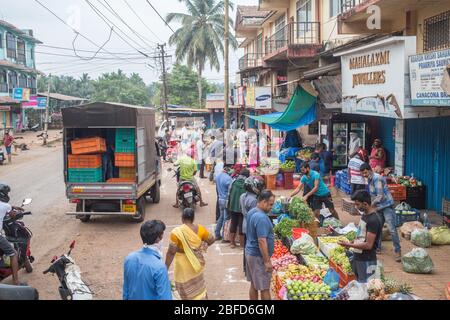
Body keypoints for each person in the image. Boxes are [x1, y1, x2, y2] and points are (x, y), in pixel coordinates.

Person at [165, 208, 215, 300]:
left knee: (184, 289)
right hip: (196, 263)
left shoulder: (176, 233)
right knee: (199, 287)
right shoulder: (201, 229)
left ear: (182, 218)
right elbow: (211, 239)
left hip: (182, 266)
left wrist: (165, 268)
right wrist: (202, 246)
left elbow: (171, 252)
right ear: (193, 218)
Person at [360, 163, 401, 262]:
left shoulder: (376, 178)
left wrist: (370, 206)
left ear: (369, 170)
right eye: (363, 174)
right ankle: (377, 248)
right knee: (377, 227)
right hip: (378, 207)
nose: (364, 175)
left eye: (365, 172)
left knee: (391, 229)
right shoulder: (369, 179)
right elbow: (372, 195)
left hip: (386, 206)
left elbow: (380, 196)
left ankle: (397, 250)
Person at [338, 190, 382, 283]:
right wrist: (350, 243)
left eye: (357, 204)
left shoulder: (373, 220)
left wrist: (350, 245)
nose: (355, 206)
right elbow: (361, 236)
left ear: (365, 204)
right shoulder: (364, 215)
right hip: (358, 256)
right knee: (359, 283)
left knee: (365, 287)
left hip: (366, 260)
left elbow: (368, 245)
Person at [123, 220, 172, 300]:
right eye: (162, 236)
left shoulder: (129, 259)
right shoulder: (160, 267)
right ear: (158, 239)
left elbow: (126, 291)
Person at [245, 190, 276, 300]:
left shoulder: (252, 211)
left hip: (250, 253)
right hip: (258, 257)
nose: (272, 207)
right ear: (263, 202)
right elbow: (262, 241)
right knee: (264, 288)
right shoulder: (261, 218)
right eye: (271, 204)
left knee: (254, 284)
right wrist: (267, 261)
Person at [240, 176, 265, 275]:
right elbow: (256, 215)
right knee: (252, 248)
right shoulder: (254, 200)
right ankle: (250, 269)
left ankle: (245, 268)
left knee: (246, 248)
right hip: (251, 227)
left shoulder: (243, 196)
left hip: (245, 224)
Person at [0, 184, 23, 285]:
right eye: (7, 193)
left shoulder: (6, 206)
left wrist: (13, 206)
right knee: (13, 254)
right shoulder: (6, 206)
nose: (7, 195)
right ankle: (15, 281)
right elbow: (13, 214)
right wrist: (17, 211)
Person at [227, 168, 250, 249]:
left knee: (233, 224)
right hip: (241, 208)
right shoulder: (247, 184)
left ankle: (232, 243)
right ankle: (242, 245)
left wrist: (228, 205)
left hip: (232, 206)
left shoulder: (233, 182)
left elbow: (229, 193)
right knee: (241, 226)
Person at [215, 164, 233, 241]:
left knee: (221, 217)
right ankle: (224, 236)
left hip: (220, 199)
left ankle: (217, 233)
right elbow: (230, 190)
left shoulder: (218, 176)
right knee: (225, 218)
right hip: (225, 200)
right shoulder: (228, 178)